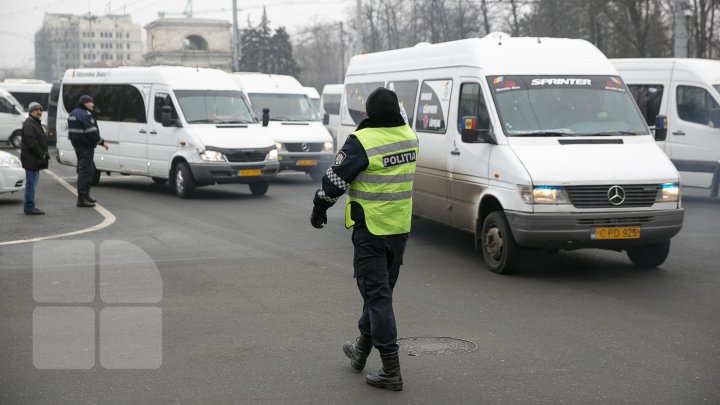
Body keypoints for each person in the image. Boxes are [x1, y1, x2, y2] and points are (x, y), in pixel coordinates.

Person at [310, 88, 418, 391]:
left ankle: (390, 370)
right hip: (399, 230)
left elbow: (335, 181)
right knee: (378, 295)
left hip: (371, 231)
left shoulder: (362, 141)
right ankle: (360, 350)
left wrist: (319, 208)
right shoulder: (410, 136)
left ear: (369, 114)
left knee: (378, 298)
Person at [68, 95, 107, 207]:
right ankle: (82, 198)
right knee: (85, 172)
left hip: (78, 146)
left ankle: (86, 196)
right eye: (91, 102)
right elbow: (92, 133)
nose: (93, 104)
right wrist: (102, 142)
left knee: (84, 170)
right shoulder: (86, 115)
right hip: (86, 146)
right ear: (85, 103)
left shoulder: (73, 113)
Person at [20, 102, 49, 215]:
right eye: (36, 110)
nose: (39, 112)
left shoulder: (35, 123)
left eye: (40, 110)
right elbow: (32, 142)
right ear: (30, 111)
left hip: (34, 159)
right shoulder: (29, 124)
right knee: (31, 184)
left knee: (32, 183)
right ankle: (29, 207)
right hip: (31, 159)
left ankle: (30, 206)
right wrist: (41, 154)